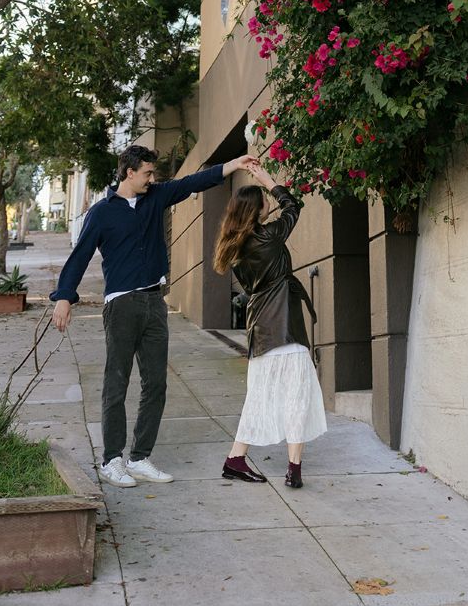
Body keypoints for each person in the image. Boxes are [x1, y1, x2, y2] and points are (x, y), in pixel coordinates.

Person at [50, 144, 259, 488]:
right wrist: (64, 297)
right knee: (117, 383)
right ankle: (112, 460)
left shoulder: (156, 197)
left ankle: (139, 457)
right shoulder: (101, 213)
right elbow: (81, 254)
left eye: (153, 174)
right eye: (147, 173)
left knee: (156, 384)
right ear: (129, 173)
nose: (152, 179)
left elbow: (194, 181)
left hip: (154, 304)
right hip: (121, 306)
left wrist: (234, 163)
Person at [213, 159, 326, 489]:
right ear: (258, 209)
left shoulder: (234, 250)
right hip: (285, 325)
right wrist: (265, 176)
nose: (269, 202)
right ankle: (293, 468)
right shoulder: (271, 236)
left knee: (259, 396)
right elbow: (293, 204)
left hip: (260, 328)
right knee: (297, 396)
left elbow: (252, 289)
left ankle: (236, 459)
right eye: (265, 199)